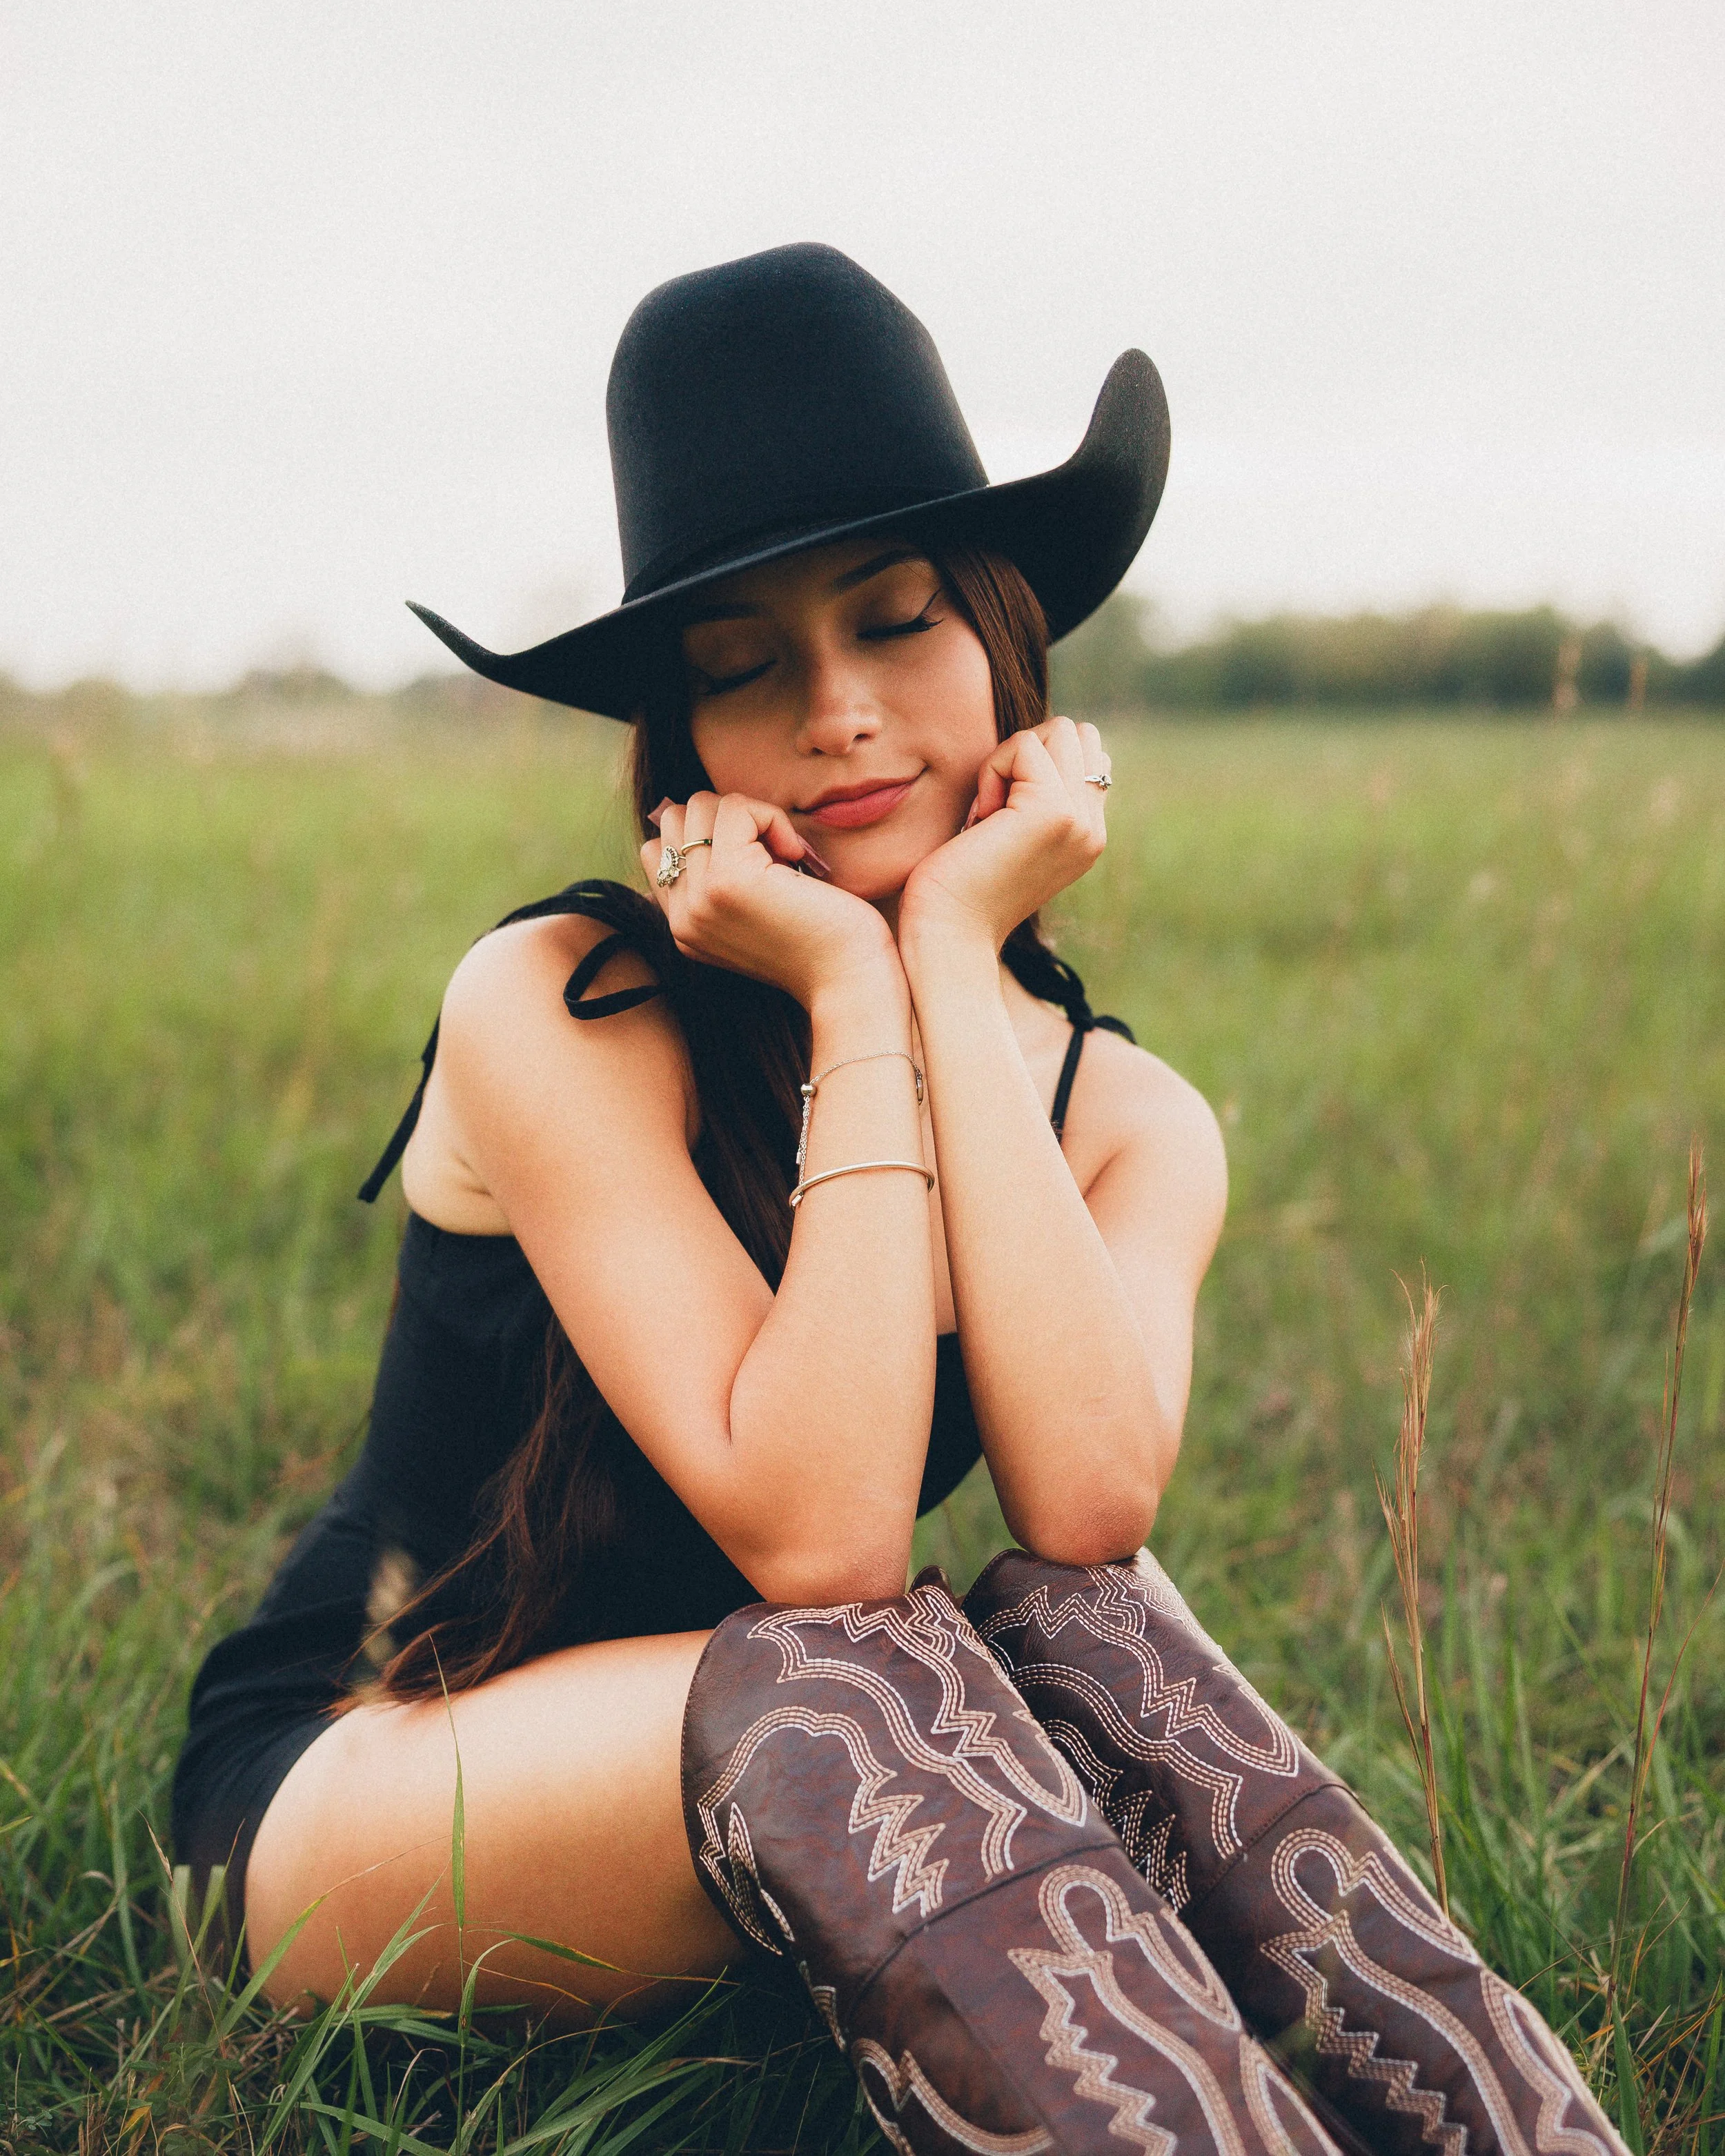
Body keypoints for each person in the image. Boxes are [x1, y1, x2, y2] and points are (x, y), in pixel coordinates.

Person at [173, 244, 1626, 2155]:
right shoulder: (557, 1005)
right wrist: (850, 986)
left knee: (1093, 1644)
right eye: (742, 662)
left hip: (795, 1766)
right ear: (679, 733)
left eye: (895, 622)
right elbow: (826, 1534)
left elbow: (1091, 1515)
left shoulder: (1129, 1120)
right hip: (378, 1774)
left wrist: (947, 951)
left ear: (1005, 639)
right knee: (847, 1676)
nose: (841, 709)